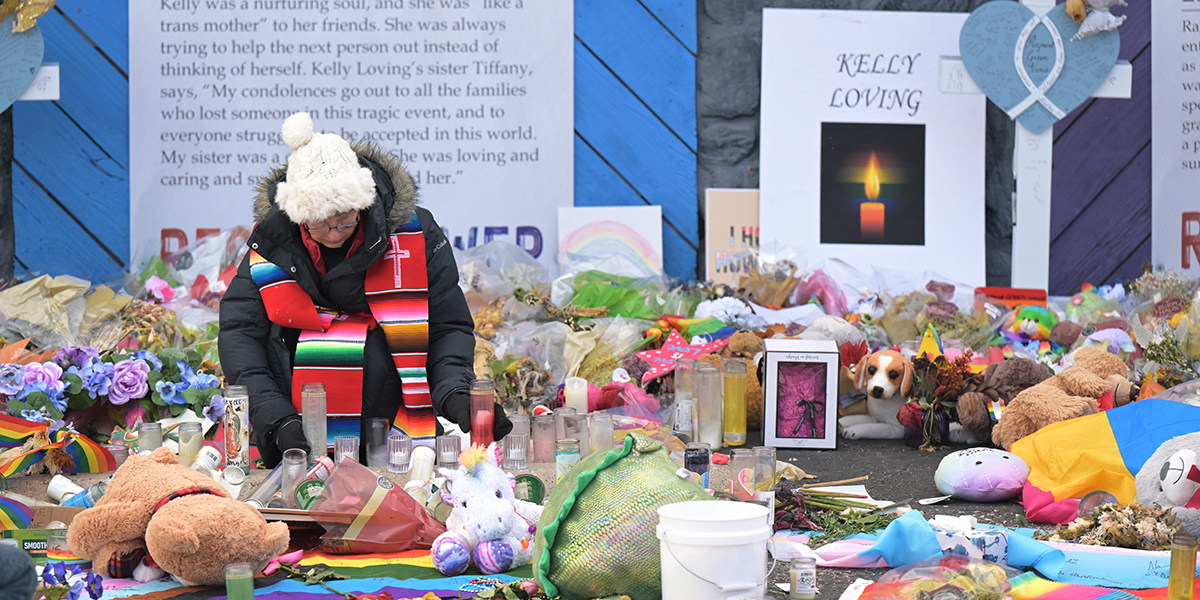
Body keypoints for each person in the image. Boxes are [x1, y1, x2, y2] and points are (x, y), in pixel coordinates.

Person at [219, 112, 511, 467]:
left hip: (393, 430)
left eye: (344, 219)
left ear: (364, 203)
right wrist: (275, 420)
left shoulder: (415, 235)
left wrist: (456, 394)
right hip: (295, 425)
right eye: (318, 224)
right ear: (296, 215)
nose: (333, 233)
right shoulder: (271, 244)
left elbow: (447, 327)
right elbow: (240, 336)